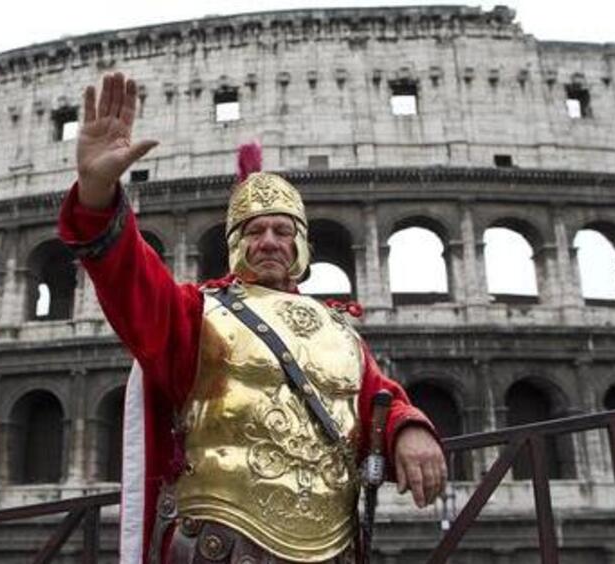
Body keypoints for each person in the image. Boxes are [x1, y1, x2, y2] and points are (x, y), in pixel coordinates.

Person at [58, 72, 447, 564]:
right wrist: (97, 196)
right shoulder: (197, 314)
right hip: (222, 542)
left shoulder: (338, 329)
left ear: (301, 244)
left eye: (283, 231)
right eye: (254, 230)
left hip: (333, 547)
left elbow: (374, 399)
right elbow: (128, 277)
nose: (268, 241)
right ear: (236, 244)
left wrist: (409, 428)